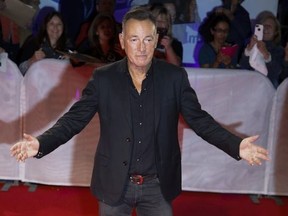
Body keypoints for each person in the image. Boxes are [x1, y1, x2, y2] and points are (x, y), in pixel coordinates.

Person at [10, 8, 269, 216]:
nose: (142, 47)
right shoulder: (103, 79)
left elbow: (200, 120)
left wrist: (237, 146)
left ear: (156, 39)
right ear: (123, 41)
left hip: (157, 186)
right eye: (134, 39)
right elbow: (73, 120)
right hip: (114, 185)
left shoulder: (174, 78)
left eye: (148, 39)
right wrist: (41, 143)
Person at [17, 11, 73, 76]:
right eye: (51, 24)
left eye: (59, 24)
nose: (55, 27)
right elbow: (19, 70)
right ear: (45, 26)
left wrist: (70, 62)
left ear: (63, 28)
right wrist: (31, 60)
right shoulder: (34, 42)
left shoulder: (68, 48)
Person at [239, 11, 284, 88]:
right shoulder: (250, 43)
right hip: (249, 85)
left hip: (268, 88)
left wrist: (266, 54)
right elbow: (243, 67)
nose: (265, 29)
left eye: (269, 26)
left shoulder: (278, 50)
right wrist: (248, 50)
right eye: (263, 25)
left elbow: (276, 73)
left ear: (276, 32)